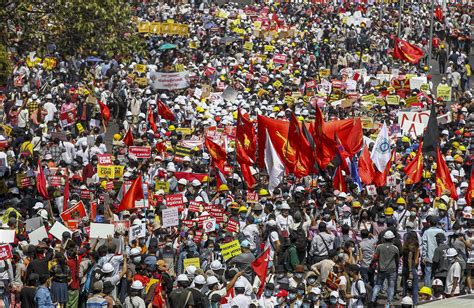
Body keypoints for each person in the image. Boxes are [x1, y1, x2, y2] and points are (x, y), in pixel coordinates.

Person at [370, 230, 400, 306]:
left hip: (381, 269)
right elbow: (397, 260)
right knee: (391, 286)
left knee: (378, 285)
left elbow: (375, 257)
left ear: (384, 239)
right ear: (392, 239)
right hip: (391, 270)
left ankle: (372, 300)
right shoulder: (395, 248)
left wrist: (372, 264)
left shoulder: (379, 247)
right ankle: (389, 303)